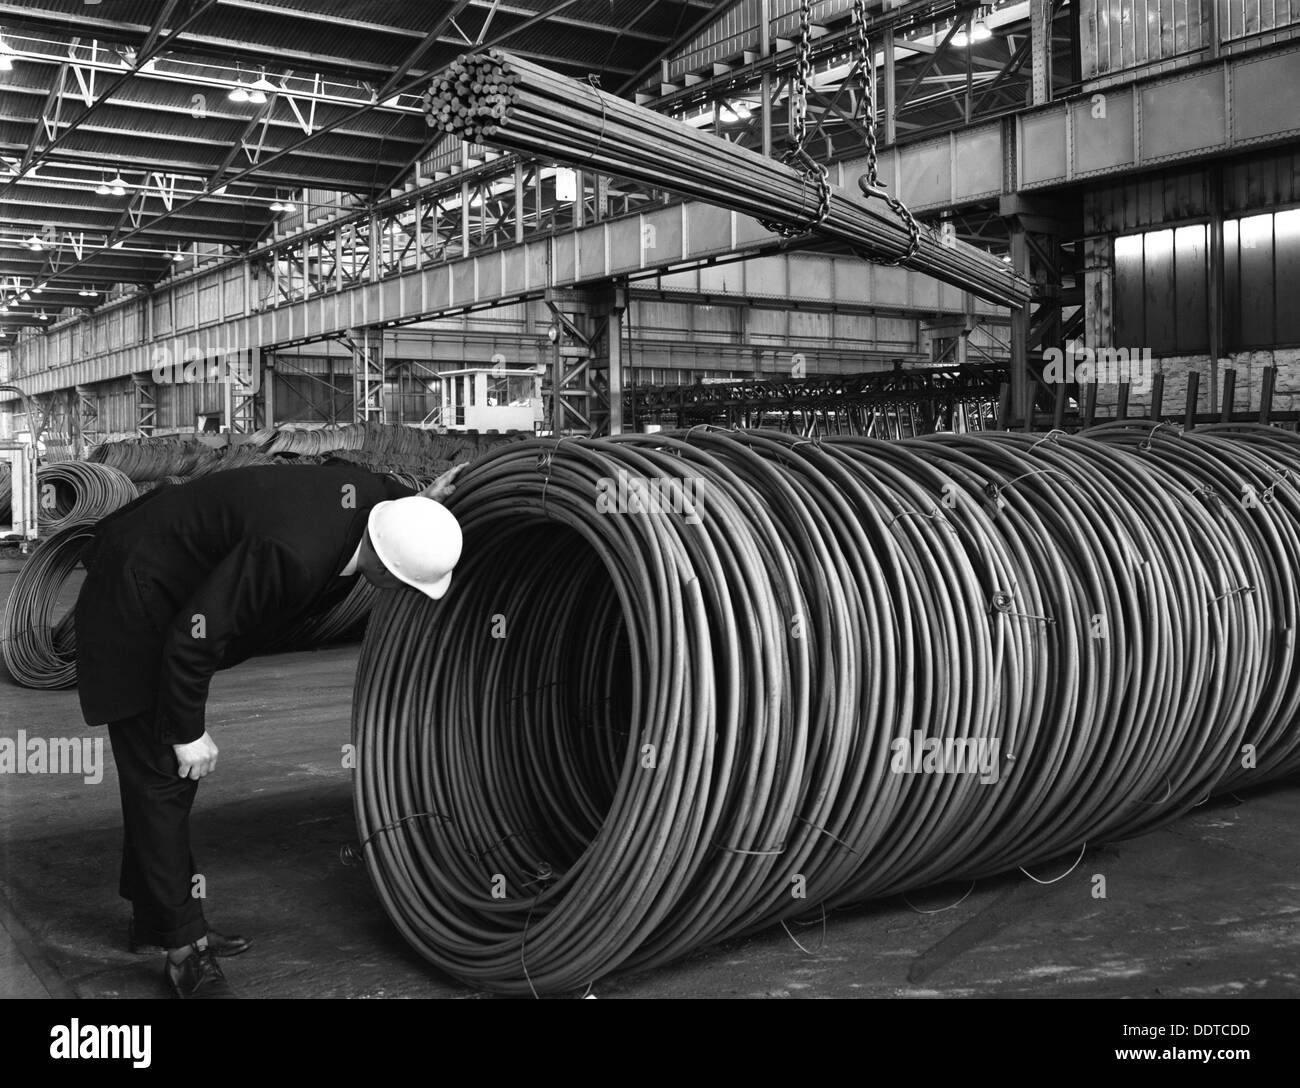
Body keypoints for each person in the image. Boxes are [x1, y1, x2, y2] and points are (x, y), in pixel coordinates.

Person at [73, 460, 465, 999]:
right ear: (385, 571)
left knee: (160, 788)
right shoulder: (294, 556)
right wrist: (187, 731)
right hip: (137, 602)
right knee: (164, 776)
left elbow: (348, 471)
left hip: (166, 570)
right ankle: (184, 955)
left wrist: (423, 499)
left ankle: (161, 919)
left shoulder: (376, 498)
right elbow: (195, 636)